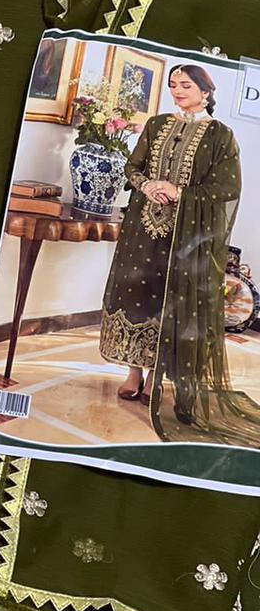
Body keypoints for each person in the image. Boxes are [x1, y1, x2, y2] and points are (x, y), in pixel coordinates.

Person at [98, 64, 260, 442]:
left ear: (206, 91)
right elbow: (133, 166)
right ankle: (133, 372)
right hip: (142, 228)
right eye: (173, 85)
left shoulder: (221, 136)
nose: (177, 90)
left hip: (187, 236)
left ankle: (156, 376)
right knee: (136, 293)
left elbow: (226, 188)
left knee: (168, 300)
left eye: (185, 85)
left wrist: (179, 193)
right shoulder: (156, 125)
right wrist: (147, 185)